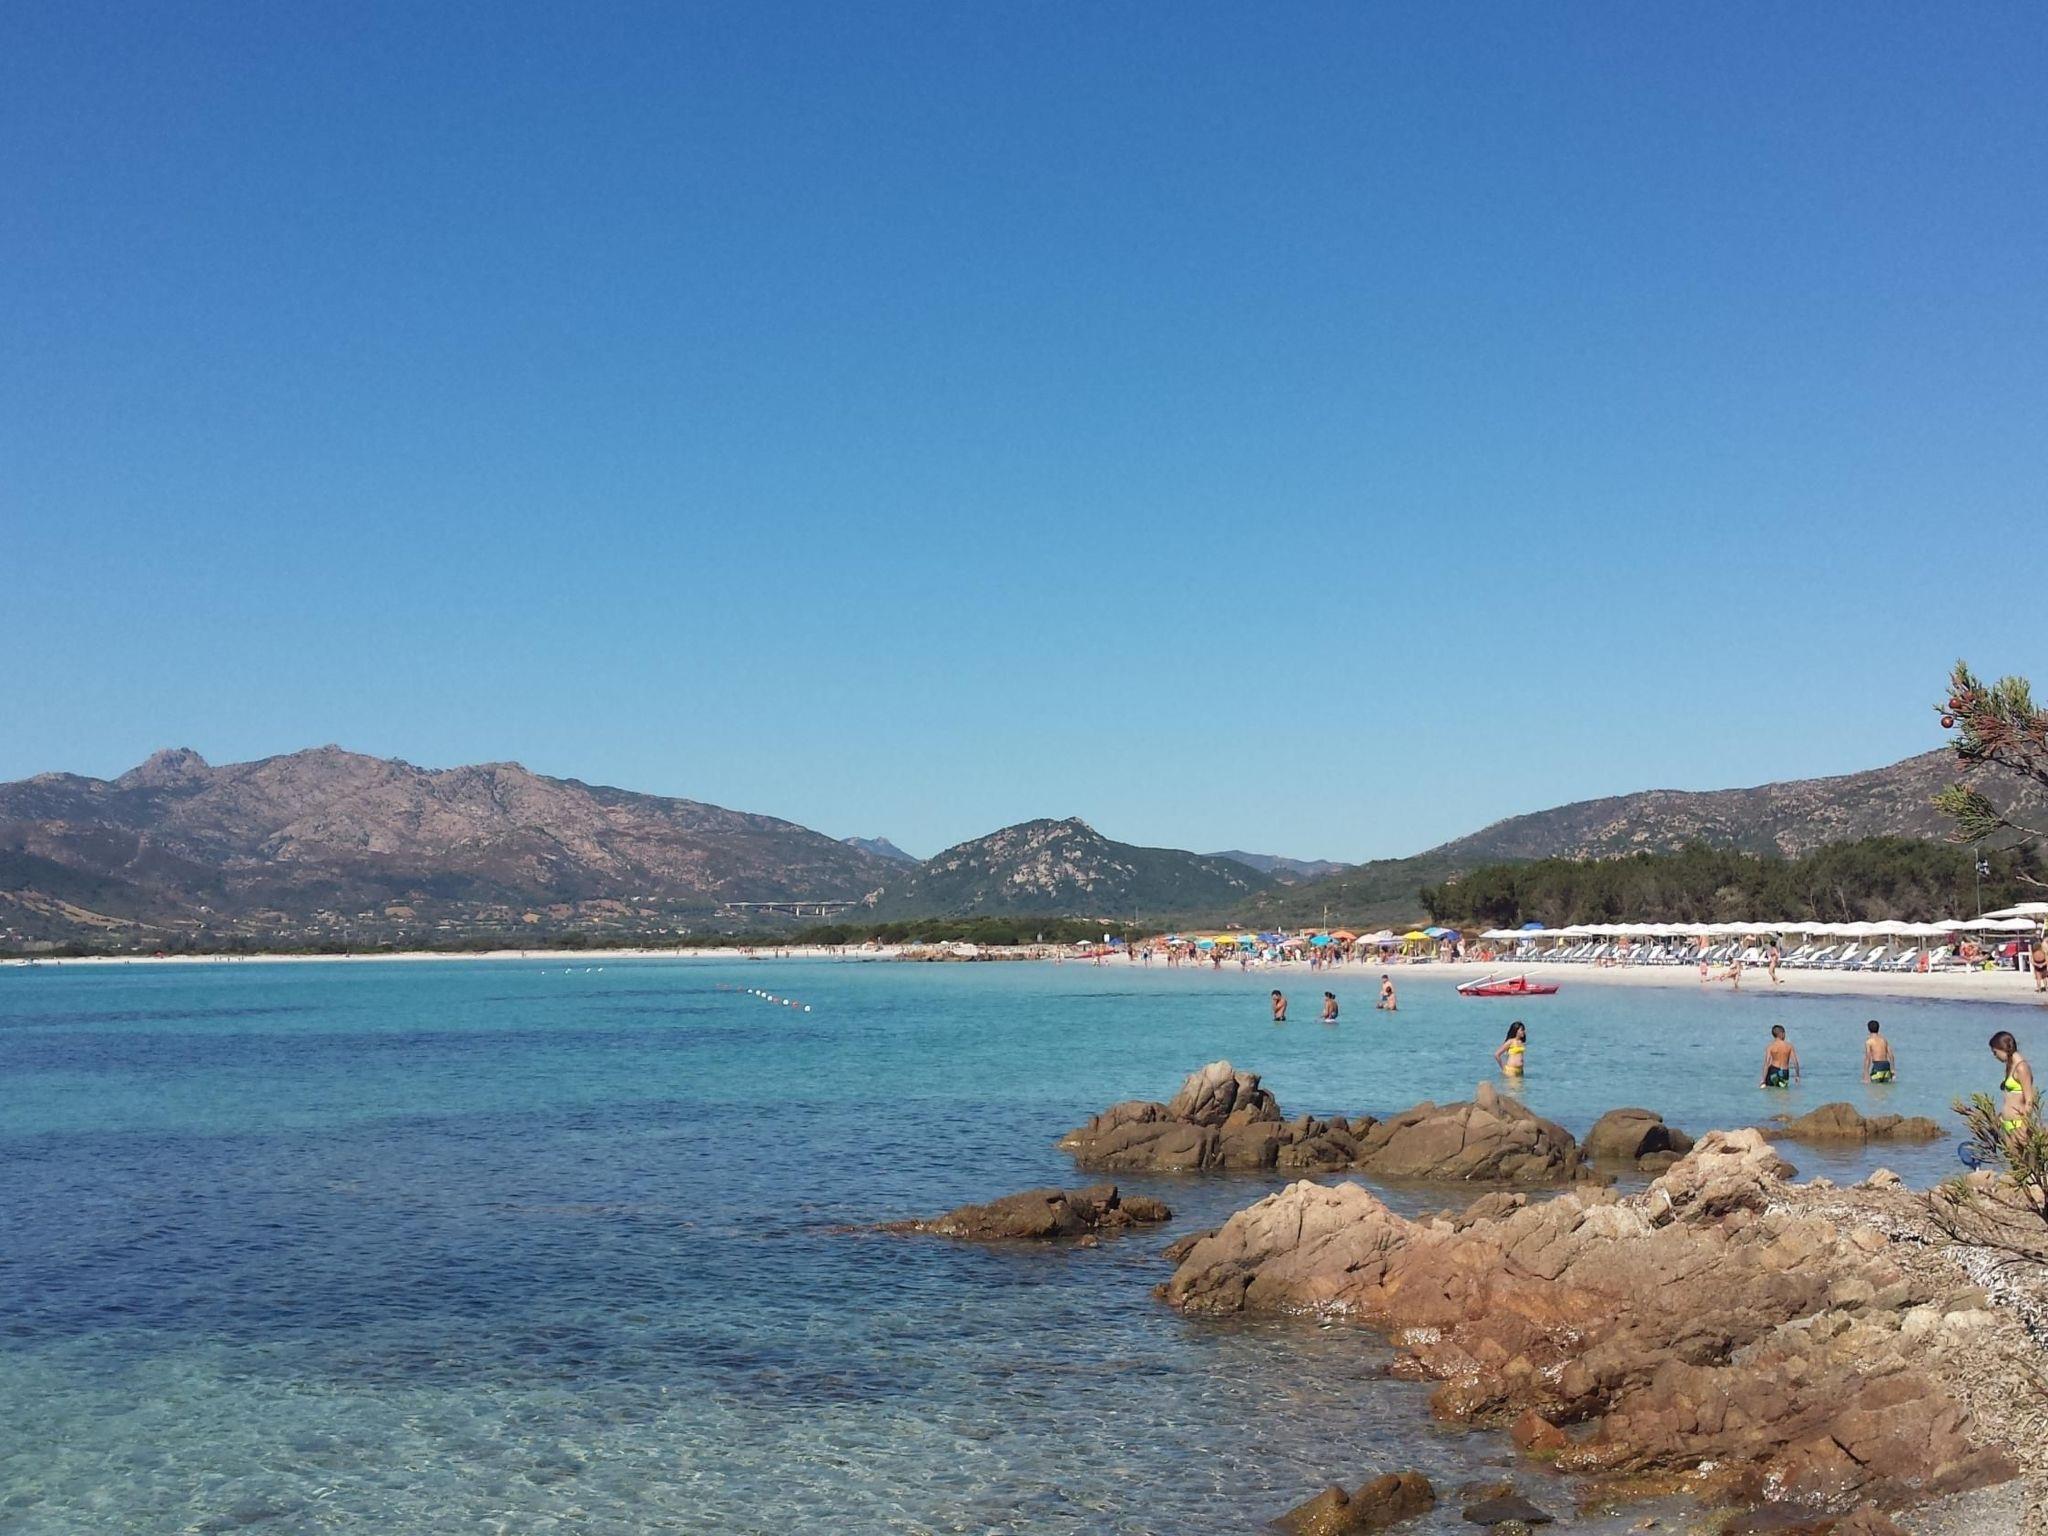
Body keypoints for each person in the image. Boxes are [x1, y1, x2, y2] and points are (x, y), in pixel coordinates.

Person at [1992, 1031, 2035, 1134]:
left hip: (2019, 1125)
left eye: (1995, 1052)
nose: (1995, 1056)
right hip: (2007, 1123)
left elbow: (2029, 1100)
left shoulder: (2021, 1068)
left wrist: (2024, 1127)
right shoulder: (2010, 1066)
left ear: (2003, 1048)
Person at [1761, 1024, 1800, 1088]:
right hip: (1784, 1071)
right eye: (1784, 1033)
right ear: (1781, 1034)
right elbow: (1795, 1062)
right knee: (1783, 1091)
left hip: (1773, 1070)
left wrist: (1763, 1080)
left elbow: (1767, 1063)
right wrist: (1797, 1075)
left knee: (1771, 1090)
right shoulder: (1789, 1046)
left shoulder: (1770, 1046)